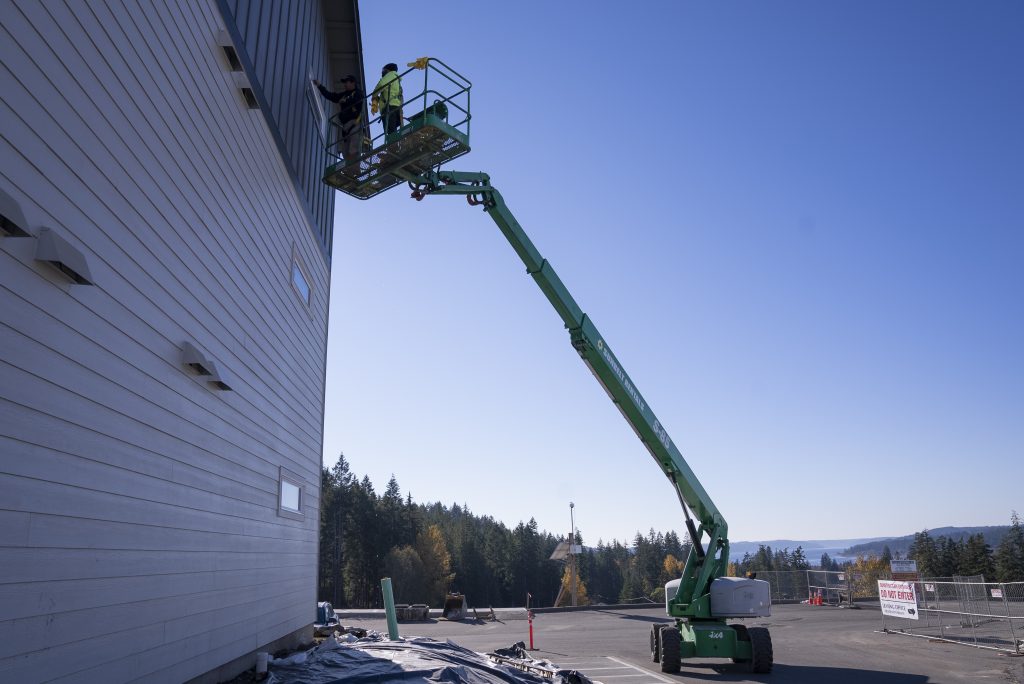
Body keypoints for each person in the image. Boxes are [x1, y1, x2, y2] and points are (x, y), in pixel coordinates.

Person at [314, 75, 363, 166]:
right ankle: (349, 169)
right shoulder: (344, 95)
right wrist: (320, 86)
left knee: (354, 148)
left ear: (353, 82)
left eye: (346, 82)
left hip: (354, 123)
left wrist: (346, 101)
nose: (344, 84)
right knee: (345, 151)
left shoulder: (358, 93)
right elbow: (331, 96)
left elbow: (359, 101)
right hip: (345, 126)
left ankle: (355, 169)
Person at [371, 62, 403, 136]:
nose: (382, 73)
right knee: (393, 131)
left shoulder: (390, 75)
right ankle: (394, 146)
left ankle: (392, 147)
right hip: (396, 107)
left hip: (389, 107)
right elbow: (391, 92)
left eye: (383, 70)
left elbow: (381, 84)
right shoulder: (396, 79)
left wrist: (374, 95)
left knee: (391, 133)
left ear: (388, 70)